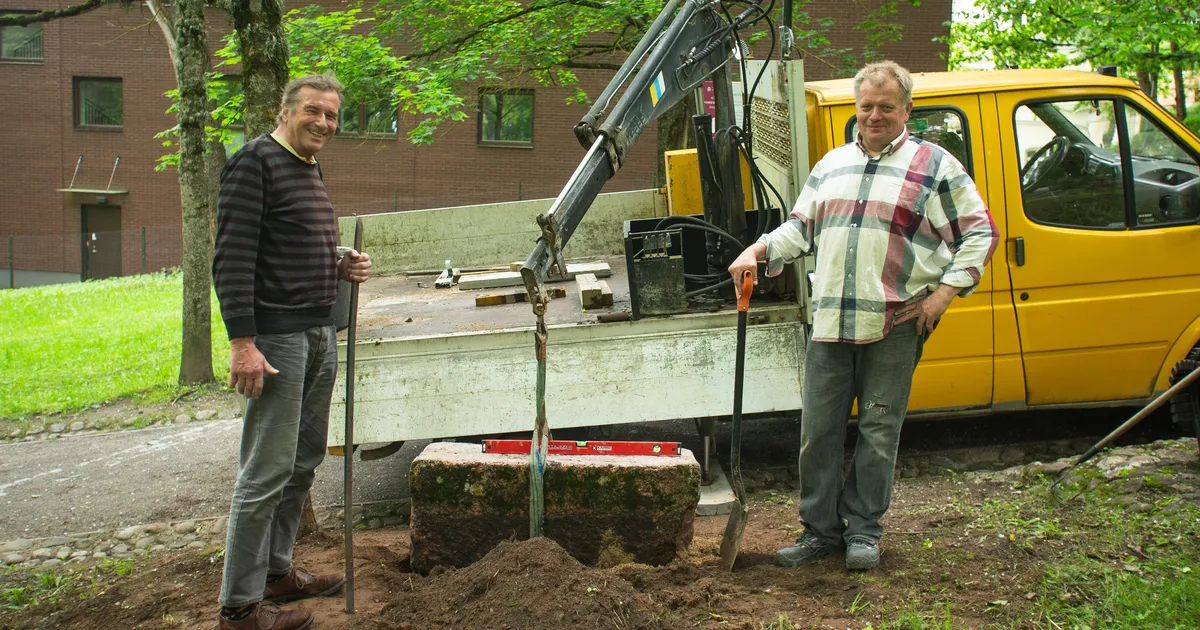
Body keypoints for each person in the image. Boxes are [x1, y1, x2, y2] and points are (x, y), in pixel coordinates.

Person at [728, 61, 998, 571]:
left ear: (906, 110)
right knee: (818, 431)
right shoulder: (831, 164)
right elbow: (799, 229)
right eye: (866, 106)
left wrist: (943, 295)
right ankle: (819, 533)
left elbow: (979, 234)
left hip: (894, 323)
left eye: (885, 107)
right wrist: (757, 250)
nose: (874, 116)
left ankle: (864, 534)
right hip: (829, 322)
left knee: (878, 430)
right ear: (857, 108)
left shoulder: (935, 166)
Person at [212, 74, 372, 629]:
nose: (324, 123)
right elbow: (231, 258)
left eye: (332, 115)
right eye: (313, 111)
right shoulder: (253, 161)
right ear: (286, 111)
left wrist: (341, 263)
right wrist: (242, 343)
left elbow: (289, 241)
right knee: (265, 472)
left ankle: (277, 575)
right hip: (276, 340)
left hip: (318, 332)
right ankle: (239, 609)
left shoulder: (308, 166)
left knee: (302, 463)